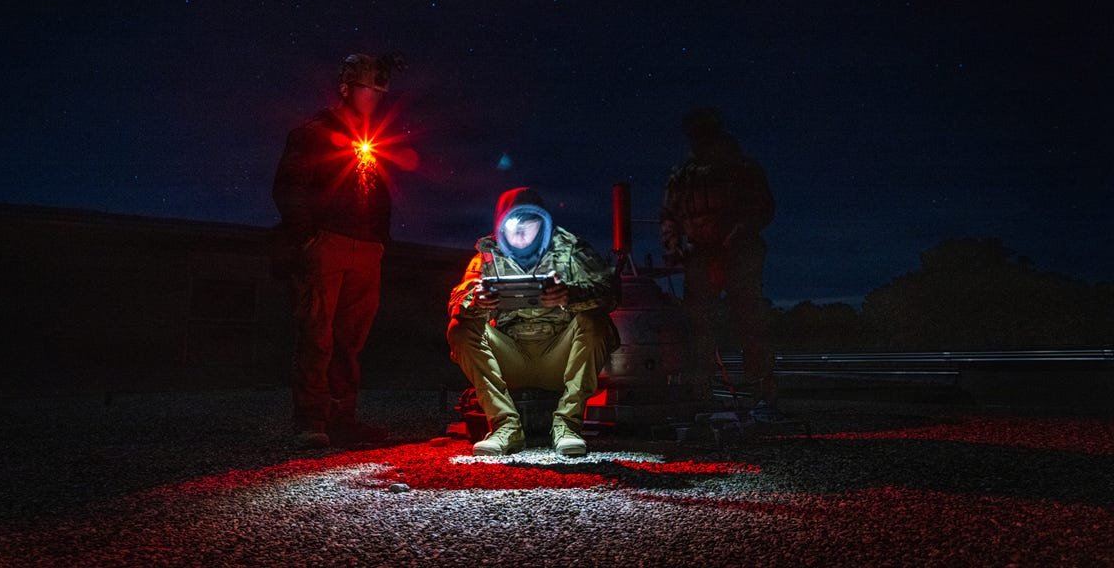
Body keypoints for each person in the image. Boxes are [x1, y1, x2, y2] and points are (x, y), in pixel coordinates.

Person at [272, 52, 415, 448]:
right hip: (327, 244)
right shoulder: (314, 132)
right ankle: (312, 421)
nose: (376, 98)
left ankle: (342, 419)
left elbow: (379, 193)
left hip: (366, 249)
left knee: (350, 340)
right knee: (317, 335)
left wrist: (380, 242)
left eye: (380, 92)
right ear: (347, 88)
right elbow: (290, 186)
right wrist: (308, 237)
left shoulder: (372, 138)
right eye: (370, 89)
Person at [447, 188, 620, 457]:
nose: (521, 233)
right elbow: (458, 296)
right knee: (460, 329)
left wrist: (570, 294)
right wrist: (476, 299)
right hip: (510, 356)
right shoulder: (486, 255)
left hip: (560, 356)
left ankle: (567, 425)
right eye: (514, 224)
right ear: (501, 224)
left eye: (530, 223)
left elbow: (610, 290)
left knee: (596, 321)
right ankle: (505, 426)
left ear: (544, 222)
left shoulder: (572, 248)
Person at [659, 107, 782, 421]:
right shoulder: (684, 173)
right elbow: (669, 214)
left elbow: (763, 208)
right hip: (699, 255)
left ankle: (764, 395)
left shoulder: (740, 167)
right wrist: (674, 243)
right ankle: (700, 394)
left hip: (739, 251)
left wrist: (738, 232)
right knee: (697, 326)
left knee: (750, 321)